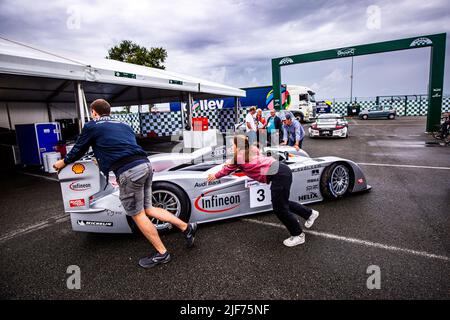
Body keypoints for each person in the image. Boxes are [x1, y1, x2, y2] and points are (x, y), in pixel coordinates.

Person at [53, 99, 197, 269]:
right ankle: (186, 227)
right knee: (148, 209)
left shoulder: (92, 125)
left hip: (129, 171)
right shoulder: (124, 125)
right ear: (109, 111)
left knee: (138, 214)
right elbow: (118, 145)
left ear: (93, 112)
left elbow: (79, 149)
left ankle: (162, 254)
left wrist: (63, 162)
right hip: (145, 165)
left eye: (92, 112)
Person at [207, 135, 319, 247]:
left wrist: (214, 176)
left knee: (279, 209)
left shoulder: (239, 157)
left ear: (238, 145)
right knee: (282, 203)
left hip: (278, 175)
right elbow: (252, 163)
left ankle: (298, 235)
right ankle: (310, 214)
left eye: (233, 144)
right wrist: (234, 164)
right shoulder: (252, 149)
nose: (232, 146)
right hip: (282, 170)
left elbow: (226, 170)